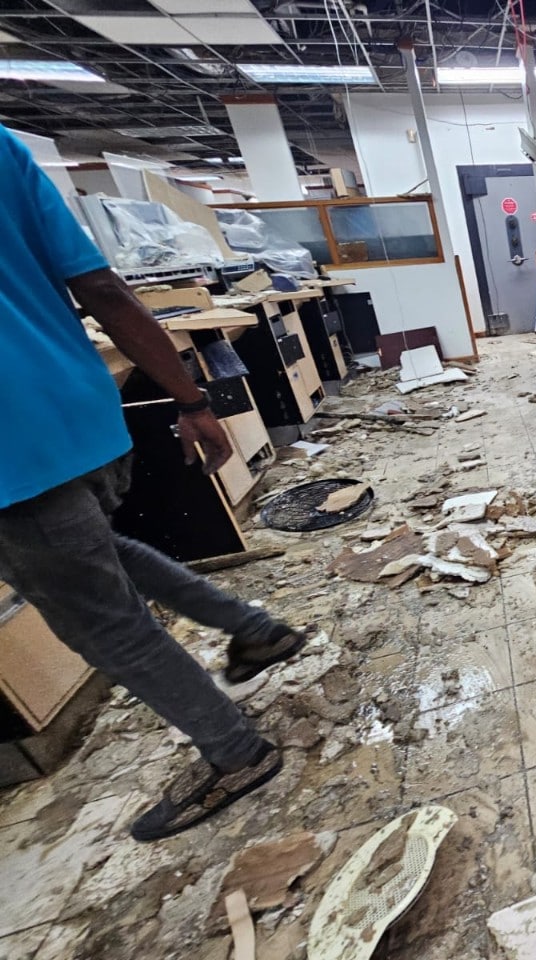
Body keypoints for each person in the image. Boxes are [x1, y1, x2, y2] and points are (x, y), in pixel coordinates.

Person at [0, 124, 304, 842]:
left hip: (14, 454)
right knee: (101, 554)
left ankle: (236, 753)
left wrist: (197, 402)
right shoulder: (7, 145)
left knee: (102, 622)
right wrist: (190, 399)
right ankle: (255, 630)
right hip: (80, 413)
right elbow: (100, 285)